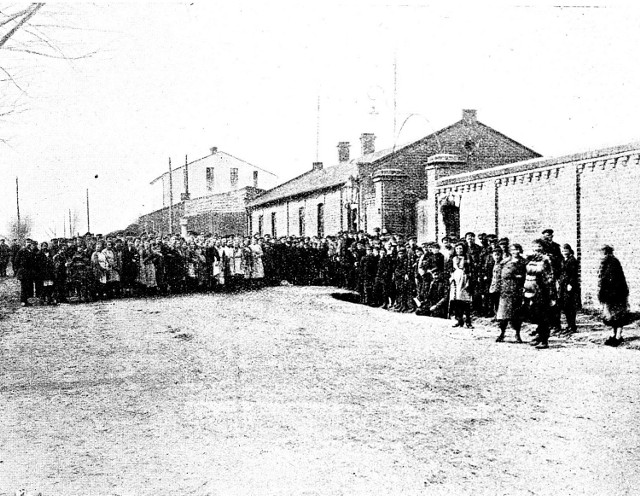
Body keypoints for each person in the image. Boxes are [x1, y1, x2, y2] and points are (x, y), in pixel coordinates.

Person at [522, 239, 557, 349]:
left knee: (543, 315)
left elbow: (550, 277)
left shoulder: (547, 259)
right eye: (535, 247)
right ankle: (539, 335)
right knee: (534, 313)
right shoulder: (529, 259)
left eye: (539, 247)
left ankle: (544, 339)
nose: (537, 249)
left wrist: (551, 292)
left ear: (543, 248)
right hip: (530, 290)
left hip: (542, 290)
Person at [598, 245, 629, 345]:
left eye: (602, 253)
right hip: (610, 294)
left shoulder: (613, 263)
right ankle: (613, 335)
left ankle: (618, 336)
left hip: (616, 294)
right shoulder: (605, 263)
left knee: (618, 315)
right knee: (611, 316)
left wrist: (609, 293)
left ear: (607, 253)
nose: (600, 255)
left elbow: (614, 281)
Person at [495, 243, 526, 343]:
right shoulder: (505, 261)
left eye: (517, 250)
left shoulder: (523, 262)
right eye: (513, 250)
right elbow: (499, 275)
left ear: (520, 250)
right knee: (503, 314)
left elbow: (525, 275)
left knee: (516, 314)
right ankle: (502, 333)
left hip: (517, 289)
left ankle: (517, 334)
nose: (515, 252)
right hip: (505, 290)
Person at [448, 242, 474, 328]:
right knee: (456, 301)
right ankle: (459, 320)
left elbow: (471, 270)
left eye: (461, 248)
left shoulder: (468, 258)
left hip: (465, 279)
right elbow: (449, 269)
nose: (459, 250)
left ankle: (468, 321)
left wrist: (469, 280)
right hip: (455, 279)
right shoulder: (453, 258)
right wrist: (451, 277)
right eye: (457, 248)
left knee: (465, 301)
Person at [558, 243, 580, 335]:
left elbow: (573, 274)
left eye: (565, 251)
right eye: (562, 251)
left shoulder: (572, 260)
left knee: (570, 306)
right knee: (566, 306)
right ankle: (569, 325)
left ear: (569, 251)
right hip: (563, 285)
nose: (564, 252)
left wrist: (570, 284)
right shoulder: (563, 260)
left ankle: (572, 326)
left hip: (570, 286)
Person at [13, 239, 38, 306]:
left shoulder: (32, 252)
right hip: (23, 271)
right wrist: (18, 270)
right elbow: (16, 261)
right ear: (25, 243)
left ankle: (29, 300)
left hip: (30, 272)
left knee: (30, 286)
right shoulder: (21, 251)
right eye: (27, 242)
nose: (28, 244)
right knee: (24, 287)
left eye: (30, 242)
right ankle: (23, 301)